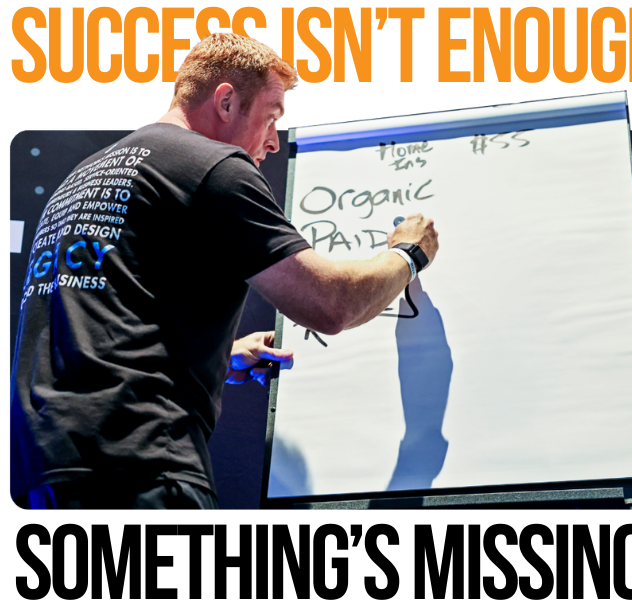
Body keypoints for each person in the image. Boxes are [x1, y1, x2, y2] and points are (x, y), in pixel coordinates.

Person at [9, 32, 439, 510]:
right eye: (272, 117)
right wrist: (407, 255)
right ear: (227, 101)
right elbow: (331, 304)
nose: (273, 141)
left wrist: (223, 356)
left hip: (45, 475)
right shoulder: (210, 165)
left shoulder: (86, 176)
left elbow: (101, 322)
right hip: (140, 464)